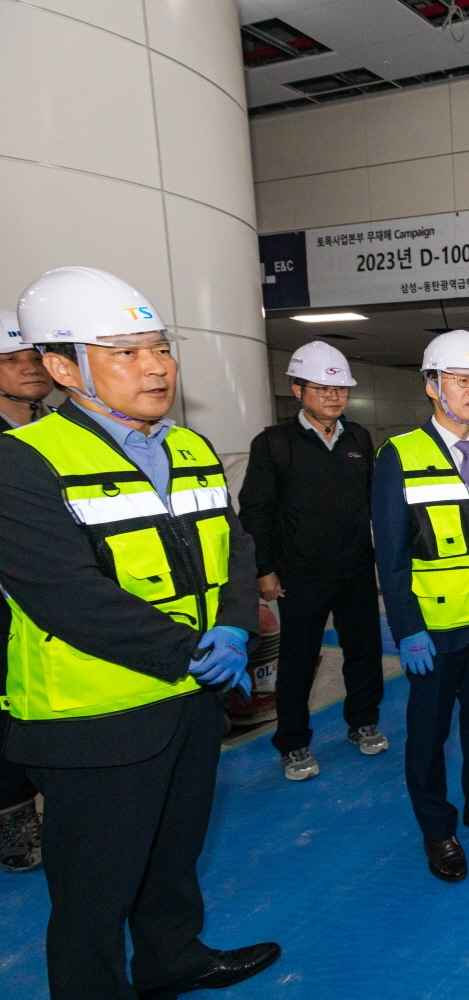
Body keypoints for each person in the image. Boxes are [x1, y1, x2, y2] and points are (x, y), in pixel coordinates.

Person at [0, 267, 280, 997]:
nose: (155, 365)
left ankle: (173, 959)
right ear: (64, 369)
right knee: (94, 895)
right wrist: (193, 650)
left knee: (173, 855)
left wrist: (233, 630)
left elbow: (235, 549)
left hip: (191, 697)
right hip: (94, 718)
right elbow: (65, 595)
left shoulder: (189, 448)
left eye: (159, 346)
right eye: (124, 350)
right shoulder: (21, 463)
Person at [371, 330, 469, 882]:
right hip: (436, 629)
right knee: (430, 735)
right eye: (463, 381)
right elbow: (390, 555)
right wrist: (406, 628)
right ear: (432, 386)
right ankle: (438, 830)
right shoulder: (401, 455)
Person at [238, 341, 387, 782]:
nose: (333, 396)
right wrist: (263, 569)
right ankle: (294, 742)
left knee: (364, 652)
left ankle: (363, 721)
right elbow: (256, 511)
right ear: (297, 390)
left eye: (339, 389)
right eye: (322, 388)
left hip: (357, 569)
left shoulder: (359, 437)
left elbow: (374, 501)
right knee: (299, 661)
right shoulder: (274, 443)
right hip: (299, 575)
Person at [0, 308, 51, 874]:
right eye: (11, 362)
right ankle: (15, 820)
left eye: (33, 359)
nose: (27, 371)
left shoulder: (61, 432)